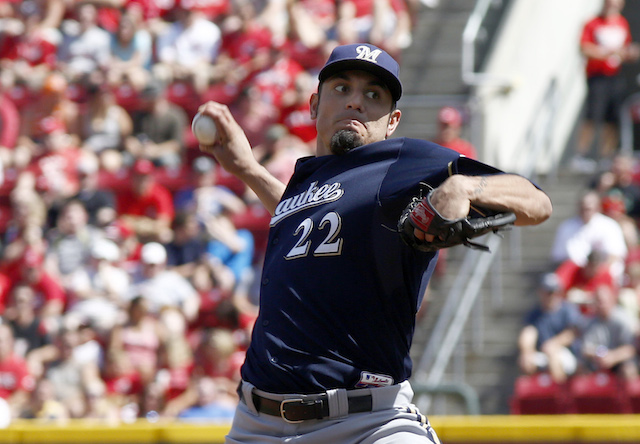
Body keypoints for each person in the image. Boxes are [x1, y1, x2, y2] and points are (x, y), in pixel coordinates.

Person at [195, 43, 552, 443]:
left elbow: (537, 202)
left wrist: (464, 185)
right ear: (314, 105)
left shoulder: (400, 161)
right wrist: (247, 169)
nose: (355, 103)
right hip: (255, 425)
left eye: (373, 95)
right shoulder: (306, 182)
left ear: (393, 120)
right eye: (342, 88)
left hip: (366, 424)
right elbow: (302, 216)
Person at [572, 0, 640, 171]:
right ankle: (581, 155)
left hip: (615, 76)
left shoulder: (622, 23)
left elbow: (625, 48)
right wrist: (605, 53)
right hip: (597, 76)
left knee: (613, 118)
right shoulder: (593, 23)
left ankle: (606, 156)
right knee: (592, 115)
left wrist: (629, 53)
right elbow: (584, 47)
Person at [517, 273, 584, 384]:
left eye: (554, 291)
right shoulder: (535, 314)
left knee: (553, 356)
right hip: (544, 353)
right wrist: (526, 351)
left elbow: (571, 334)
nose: (551, 295)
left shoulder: (568, 309)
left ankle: (559, 397)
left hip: (568, 355)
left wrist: (554, 344)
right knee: (525, 360)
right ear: (540, 292)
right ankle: (533, 395)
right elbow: (528, 333)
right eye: (548, 292)